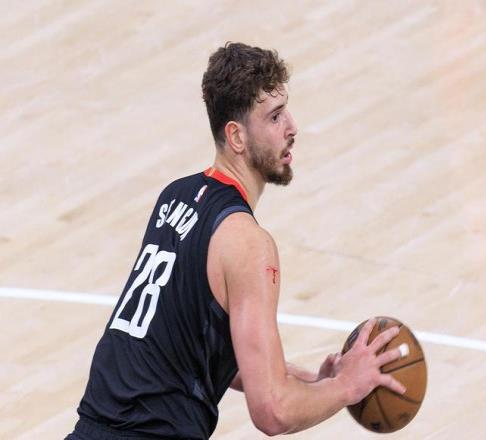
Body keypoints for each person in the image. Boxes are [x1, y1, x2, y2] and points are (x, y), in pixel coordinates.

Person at [66, 42, 406, 440]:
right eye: (275, 116)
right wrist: (348, 386)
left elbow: (191, 345)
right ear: (237, 137)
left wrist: (315, 383)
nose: (292, 127)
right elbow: (273, 412)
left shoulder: (175, 196)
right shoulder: (248, 243)